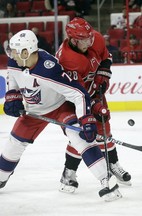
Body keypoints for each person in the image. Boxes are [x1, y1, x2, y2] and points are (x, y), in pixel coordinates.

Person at [0, 29, 122, 202]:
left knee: (79, 137)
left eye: (15, 51)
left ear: (26, 52)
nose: (11, 55)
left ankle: (107, 181)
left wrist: (85, 120)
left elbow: (78, 94)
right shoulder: (15, 61)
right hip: (34, 111)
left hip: (59, 106)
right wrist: (13, 95)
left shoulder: (48, 69)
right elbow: (12, 76)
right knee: (14, 143)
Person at [56, 18, 131, 193]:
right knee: (80, 136)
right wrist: (94, 103)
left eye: (91, 37)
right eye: (85, 39)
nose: (91, 41)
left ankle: (112, 163)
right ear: (74, 40)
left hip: (93, 90)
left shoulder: (93, 39)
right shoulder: (68, 59)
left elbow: (106, 58)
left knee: (105, 128)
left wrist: (102, 77)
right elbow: (78, 93)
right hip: (72, 100)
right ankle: (69, 173)